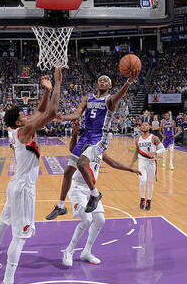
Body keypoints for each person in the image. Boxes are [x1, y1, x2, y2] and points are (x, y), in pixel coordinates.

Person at [0, 69, 62, 284]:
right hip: (24, 189)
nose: (28, 115)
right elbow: (50, 113)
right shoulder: (24, 131)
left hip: (15, 185)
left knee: (4, 221)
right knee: (20, 237)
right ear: (19, 121)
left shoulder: (18, 129)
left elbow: (40, 112)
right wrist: (58, 83)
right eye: (24, 114)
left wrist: (46, 91)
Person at [46, 68, 140, 220]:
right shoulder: (88, 98)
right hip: (86, 136)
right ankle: (61, 206)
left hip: (100, 136)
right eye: (100, 79)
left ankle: (95, 194)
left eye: (106, 80)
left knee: (83, 163)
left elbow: (120, 94)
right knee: (68, 172)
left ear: (109, 86)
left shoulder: (110, 100)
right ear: (97, 84)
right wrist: (63, 118)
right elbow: (77, 114)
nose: (102, 81)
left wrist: (129, 82)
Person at [62, 120, 140, 266]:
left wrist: (130, 169)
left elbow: (113, 163)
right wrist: (74, 133)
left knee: (100, 220)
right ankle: (69, 250)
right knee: (86, 220)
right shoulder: (86, 145)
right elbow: (72, 148)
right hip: (78, 187)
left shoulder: (99, 150)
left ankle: (86, 252)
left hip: (91, 191)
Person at [130, 122, 164, 211]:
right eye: (142, 125)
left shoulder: (154, 138)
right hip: (142, 162)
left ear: (149, 127)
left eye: (146, 125)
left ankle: (149, 200)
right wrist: (132, 163)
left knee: (149, 183)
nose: (144, 126)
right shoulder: (138, 139)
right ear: (140, 128)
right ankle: (142, 199)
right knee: (142, 181)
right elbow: (137, 152)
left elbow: (162, 148)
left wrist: (156, 152)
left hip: (151, 162)